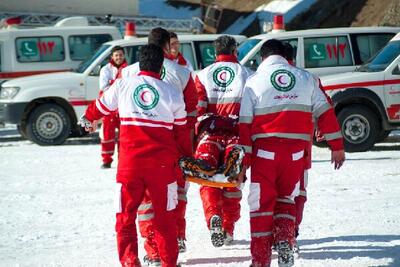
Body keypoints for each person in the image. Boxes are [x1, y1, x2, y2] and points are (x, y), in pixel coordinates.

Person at [79, 44, 191, 267]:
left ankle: (130, 262)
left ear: (139, 64)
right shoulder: (172, 94)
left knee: (125, 218)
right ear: (161, 68)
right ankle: (168, 262)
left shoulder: (122, 85)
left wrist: (86, 120)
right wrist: (187, 158)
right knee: (166, 219)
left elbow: (99, 108)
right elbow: (181, 133)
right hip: (162, 168)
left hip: (130, 167)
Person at [238, 39, 345, 267]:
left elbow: (244, 124)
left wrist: (244, 160)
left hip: (265, 154)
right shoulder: (306, 79)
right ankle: (286, 240)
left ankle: (260, 261)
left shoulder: (254, 81)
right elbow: (325, 112)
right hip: (296, 154)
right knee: (286, 198)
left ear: (264, 57)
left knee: (261, 206)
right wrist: (337, 146)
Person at [122, 27, 197, 265]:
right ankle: (177, 238)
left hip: (134, 150)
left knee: (144, 203)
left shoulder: (128, 73)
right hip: (170, 150)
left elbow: (114, 105)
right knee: (173, 198)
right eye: (173, 45)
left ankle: (152, 250)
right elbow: (192, 113)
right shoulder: (182, 73)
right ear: (166, 47)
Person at [194, 35, 253, 247]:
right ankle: (228, 228)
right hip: (236, 134)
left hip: (209, 134)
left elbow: (198, 107)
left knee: (208, 179)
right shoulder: (247, 74)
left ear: (215, 52)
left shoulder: (202, 75)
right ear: (235, 51)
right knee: (233, 181)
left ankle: (213, 218)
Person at [98, 46, 128, 168]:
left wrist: (113, 84)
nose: (119, 57)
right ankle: (106, 159)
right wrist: (118, 85)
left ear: (124, 56)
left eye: (121, 55)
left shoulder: (128, 69)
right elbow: (103, 87)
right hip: (109, 106)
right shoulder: (105, 70)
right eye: (116, 55)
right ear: (112, 56)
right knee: (107, 134)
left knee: (125, 134)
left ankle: (123, 159)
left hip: (123, 106)